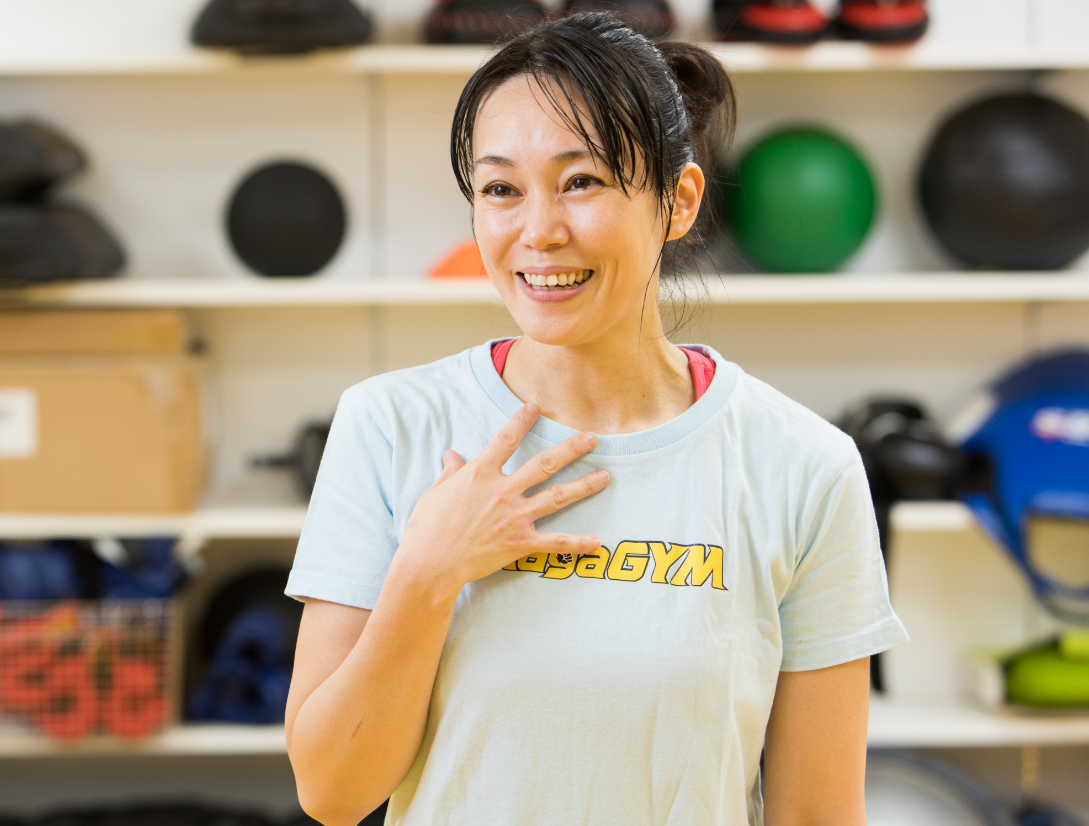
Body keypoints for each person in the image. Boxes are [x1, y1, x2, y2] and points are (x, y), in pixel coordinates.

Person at [283, 13, 907, 826]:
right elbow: (332, 794)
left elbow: (817, 815)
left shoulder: (802, 465)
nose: (537, 232)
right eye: (501, 189)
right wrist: (428, 572)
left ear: (678, 201)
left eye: (581, 181)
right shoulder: (389, 425)